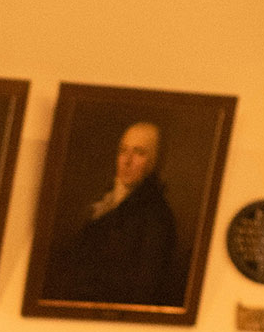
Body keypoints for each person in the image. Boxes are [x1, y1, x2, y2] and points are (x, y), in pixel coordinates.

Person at [45, 120, 180, 306]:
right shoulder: (106, 200)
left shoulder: (157, 218)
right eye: (123, 151)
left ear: (155, 161)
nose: (127, 161)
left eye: (139, 152)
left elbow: (143, 289)